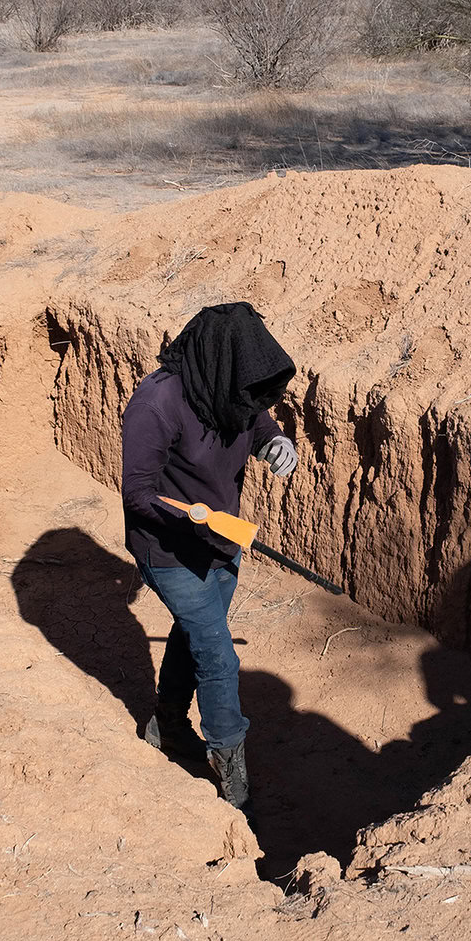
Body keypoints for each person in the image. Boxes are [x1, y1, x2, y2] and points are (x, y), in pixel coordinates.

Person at [121, 302, 298, 809]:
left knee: (195, 633)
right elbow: (137, 493)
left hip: (223, 539)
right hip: (171, 550)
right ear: (217, 364)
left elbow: (252, 414)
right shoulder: (156, 405)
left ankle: (167, 725)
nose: (250, 398)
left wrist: (273, 440)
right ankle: (230, 769)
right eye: (244, 385)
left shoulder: (224, 387)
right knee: (218, 655)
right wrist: (194, 519)